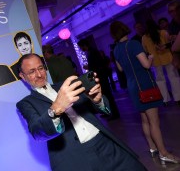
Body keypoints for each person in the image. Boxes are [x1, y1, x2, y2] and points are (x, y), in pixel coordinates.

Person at [16, 53, 147, 171]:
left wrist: (97, 100)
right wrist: (55, 109)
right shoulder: (26, 103)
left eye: (40, 68)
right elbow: (37, 132)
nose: (39, 74)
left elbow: (104, 110)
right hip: (77, 159)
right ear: (23, 76)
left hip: (105, 144)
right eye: (32, 72)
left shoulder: (66, 86)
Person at [110, 20, 180, 164]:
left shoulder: (115, 50)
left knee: (145, 120)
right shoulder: (134, 44)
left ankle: (153, 147)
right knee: (154, 121)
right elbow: (146, 65)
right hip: (145, 84)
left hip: (132, 86)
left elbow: (121, 69)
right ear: (125, 29)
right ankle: (164, 153)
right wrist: (150, 57)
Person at [77, 39, 120, 120]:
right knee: (105, 96)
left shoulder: (92, 52)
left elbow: (96, 66)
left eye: (80, 47)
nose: (80, 49)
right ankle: (109, 112)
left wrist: (88, 67)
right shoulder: (92, 51)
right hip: (101, 76)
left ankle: (114, 114)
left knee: (108, 96)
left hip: (101, 77)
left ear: (84, 45)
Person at [142, 19, 180, 105]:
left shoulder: (144, 38)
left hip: (155, 61)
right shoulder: (163, 32)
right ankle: (178, 98)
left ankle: (165, 100)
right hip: (167, 57)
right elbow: (170, 43)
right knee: (174, 77)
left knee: (160, 80)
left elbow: (145, 50)